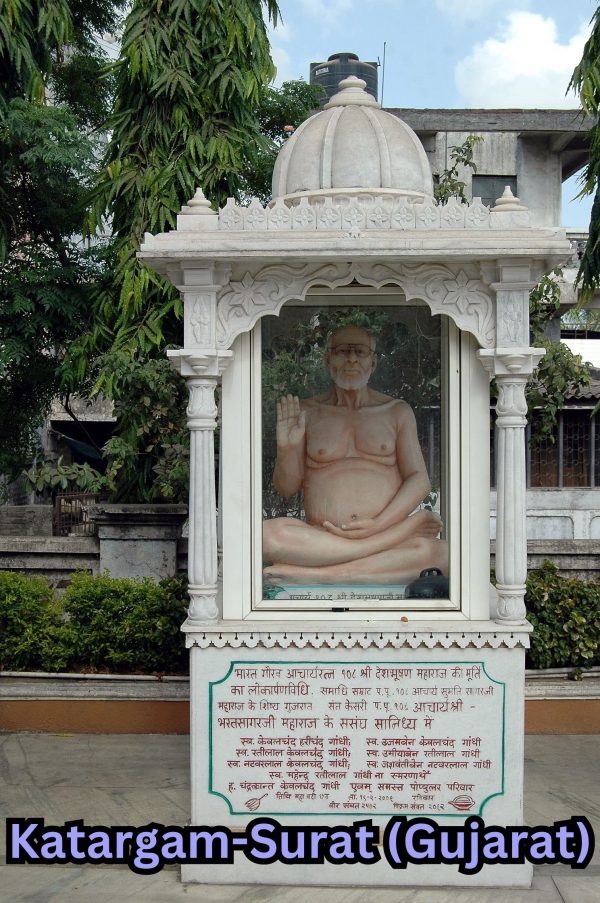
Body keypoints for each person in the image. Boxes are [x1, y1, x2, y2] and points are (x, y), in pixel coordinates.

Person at [263, 324, 448, 585]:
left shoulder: (396, 411)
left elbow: (419, 479)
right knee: (265, 536)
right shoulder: (307, 412)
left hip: (379, 532)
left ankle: (321, 575)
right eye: (342, 351)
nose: (351, 359)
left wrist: (379, 525)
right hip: (325, 538)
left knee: (443, 555)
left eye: (359, 352)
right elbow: (286, 488)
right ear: (327, 359)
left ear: (373, 361)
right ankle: (379, 550)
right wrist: (287, 449)